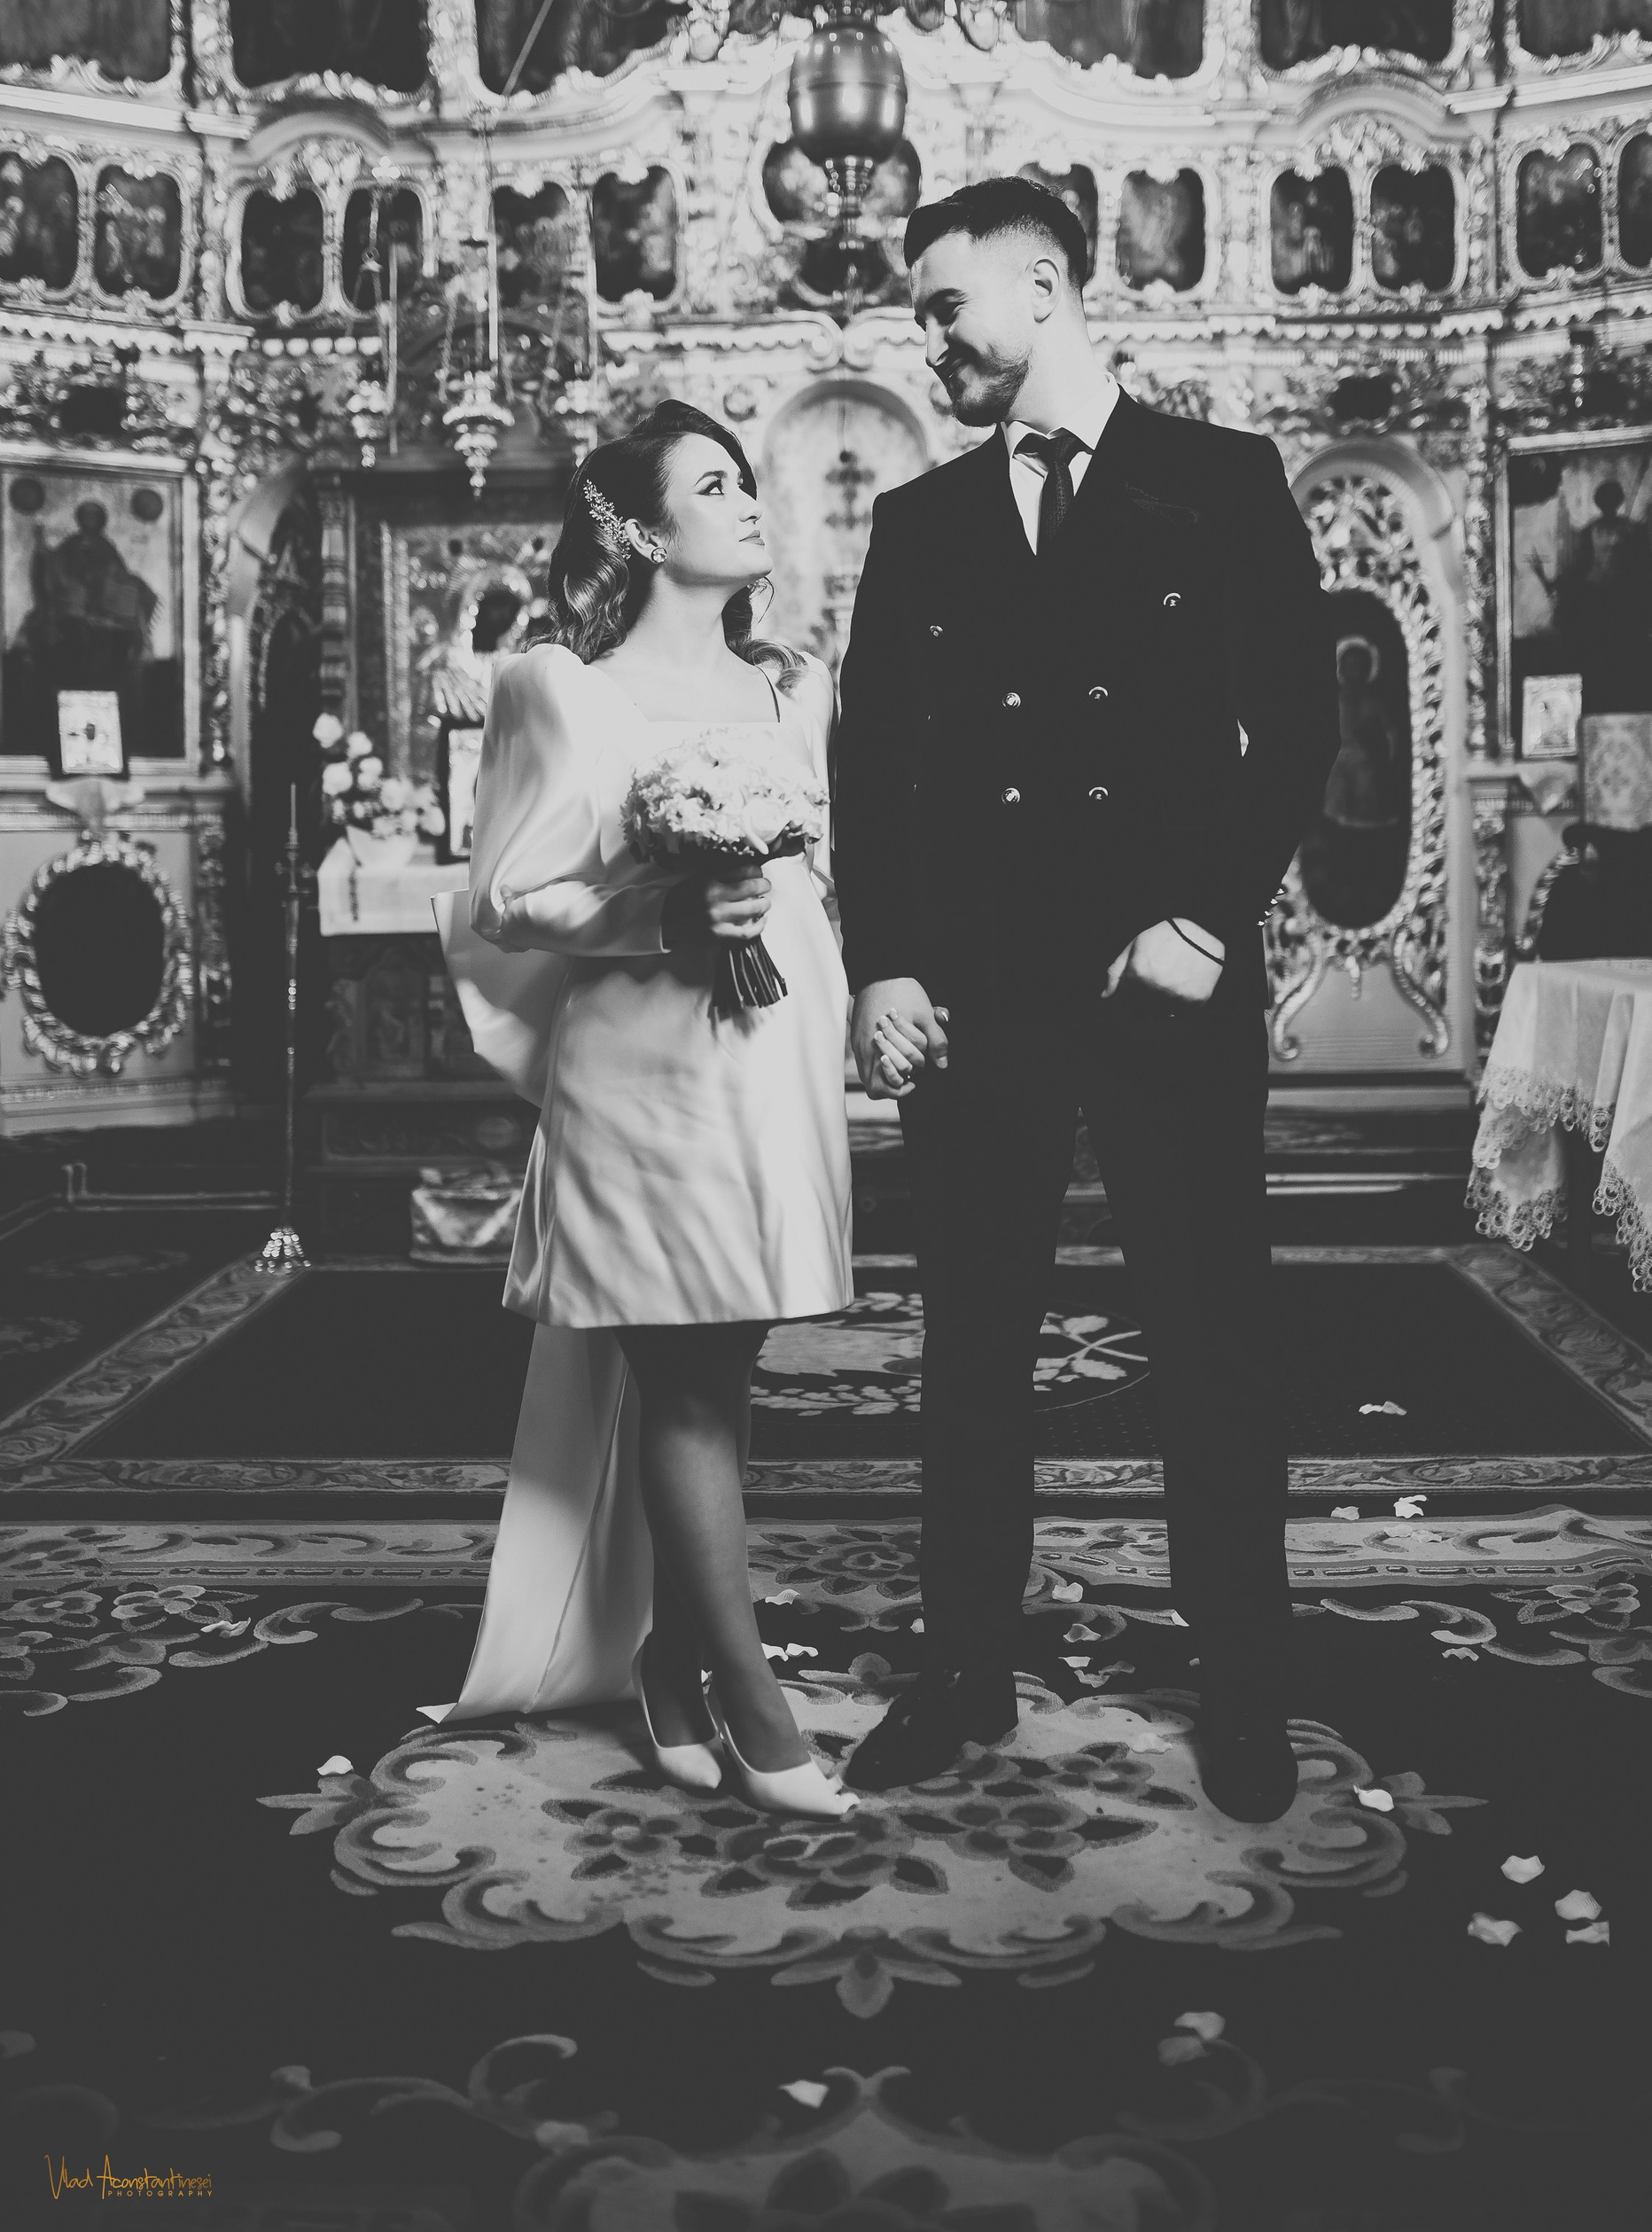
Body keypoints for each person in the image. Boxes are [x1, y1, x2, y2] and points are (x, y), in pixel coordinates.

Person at [834, 177, 1338, 1822]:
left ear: (1043, 287)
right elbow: (872, 767)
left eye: (945, 307)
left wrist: (1205, 914)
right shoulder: (920, 522)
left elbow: (1302, 727)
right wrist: (883, 961)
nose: (930, 343)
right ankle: (964, 1667)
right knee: (974, 1346)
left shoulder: (1221, 480)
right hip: (980, 1002)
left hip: (1163, 986)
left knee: (1211, 1338)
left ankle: (1243, 1680)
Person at [432, 402, 857, 1821]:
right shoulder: (559, 687)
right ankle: (758, 1712)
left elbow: (810, 879)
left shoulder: (795, 689)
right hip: (644, 1073)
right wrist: (660, 915)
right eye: (714, 484)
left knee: (726, 1367)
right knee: (681, 1378)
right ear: (639, 527)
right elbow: (509, 895)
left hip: (770, 1058)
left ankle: (673, 1671)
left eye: (747, 481)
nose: (749, 503)